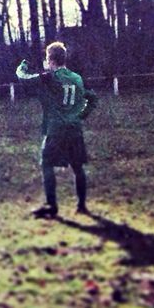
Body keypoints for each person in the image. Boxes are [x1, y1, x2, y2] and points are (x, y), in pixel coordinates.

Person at [12, 41, 97, 218]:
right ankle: (81, 205)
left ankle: (52, 205)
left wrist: (22, 66)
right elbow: (92, 98)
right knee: (78, 167)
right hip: (74, 129)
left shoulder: (49, 79)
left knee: (46, 164)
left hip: (56, 130)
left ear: (50, 60)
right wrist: (81, 116)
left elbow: (23, 78)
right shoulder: (77, 78)